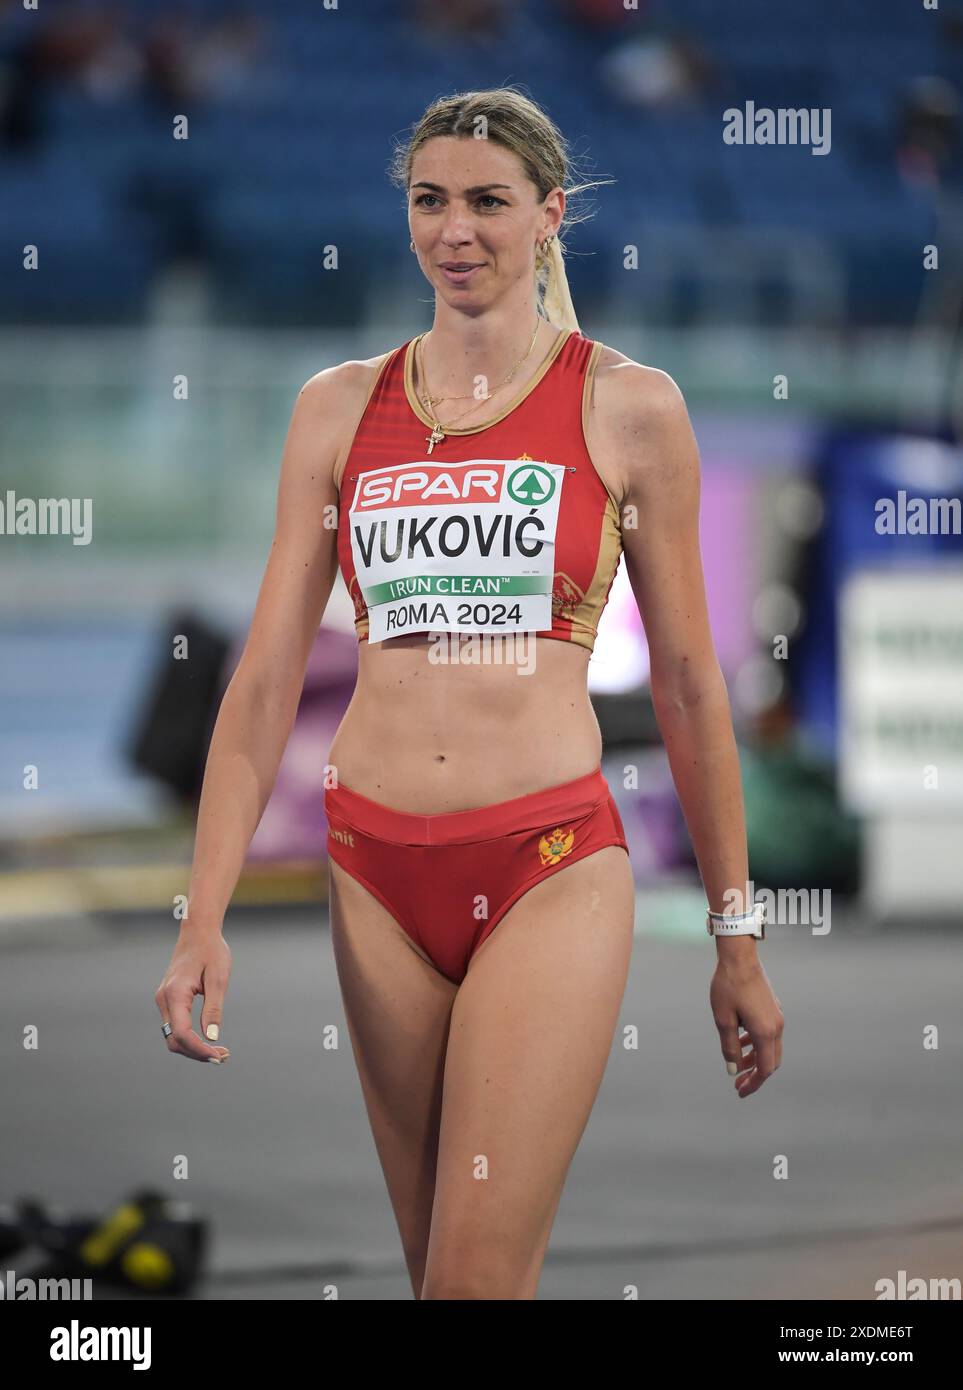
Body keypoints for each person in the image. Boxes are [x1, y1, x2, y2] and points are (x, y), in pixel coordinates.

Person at [154, 86, 784, 1301]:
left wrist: (736, 938)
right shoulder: (337, 409)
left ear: (549, 215)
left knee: (473, 1278)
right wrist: (202, 916)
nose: (458, 230)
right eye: (431, 201)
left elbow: (698, 692)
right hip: (374, 870)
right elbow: (267, 678)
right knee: (437, 1273)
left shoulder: (630, 405)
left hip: (548, 858)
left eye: (489, 203)